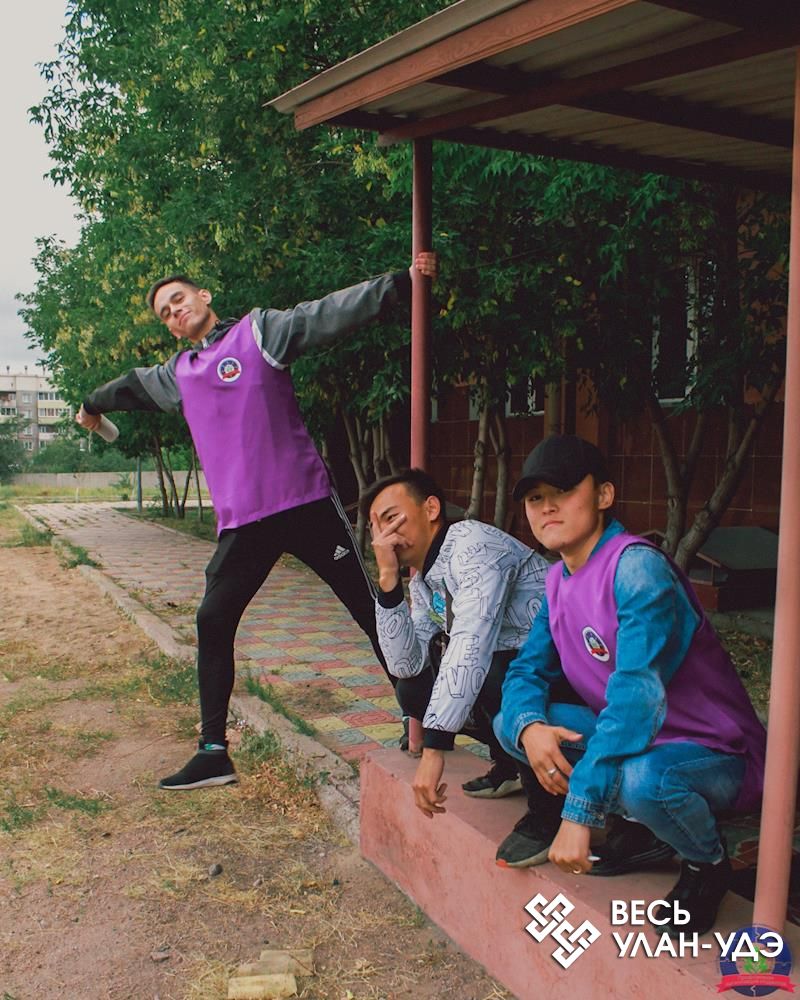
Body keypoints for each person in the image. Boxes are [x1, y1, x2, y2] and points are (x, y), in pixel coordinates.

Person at [76, 255, 438, 790]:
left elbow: (323, 315)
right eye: (165, 313)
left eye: (179, 300)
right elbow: (128, 386)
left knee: (370, 610)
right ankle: (213, 752)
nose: (174, 312)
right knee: (212, 618)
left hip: (304, 503)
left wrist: (399, 284)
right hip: (244, 524)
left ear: (203, 297)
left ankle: (426, 723)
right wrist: (90, 403)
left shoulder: (259, 333)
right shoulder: (179, 375)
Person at [495, 434, 766, 936]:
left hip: (714, 751)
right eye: (534, 497)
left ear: (603, 495)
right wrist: (529, 727)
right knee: (514, 725)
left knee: (646, 783)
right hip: (636, 739)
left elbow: (636, 697)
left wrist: (579, 810)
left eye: (563, 490)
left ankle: (706, 863)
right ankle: (645, 830)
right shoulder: (557, 581)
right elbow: (526, 671)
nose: (546, 506)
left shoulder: (636, 568)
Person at [364, 468, 552, 824]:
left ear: (431, 509)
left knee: (490, 672)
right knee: (414, 689)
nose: (383, 536)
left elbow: (471, 642)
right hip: (517, 672)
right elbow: (405, 664)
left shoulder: (473, 545)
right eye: (376, 527)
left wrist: (434, 749)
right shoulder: (424, 580)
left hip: (565, 665)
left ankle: (547, 811)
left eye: (391, 518)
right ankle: (510, 764)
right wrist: (388, 581)